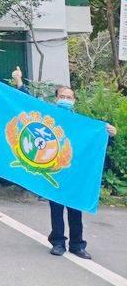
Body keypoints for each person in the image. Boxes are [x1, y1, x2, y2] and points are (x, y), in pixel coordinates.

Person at [44, 82, 117, 259]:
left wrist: (110, 134)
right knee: (56, 209)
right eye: (62, 96)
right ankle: (58, 243)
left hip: (76, 173)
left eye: (69, 97)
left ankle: (77, 245)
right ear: (56, 99)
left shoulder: (82, 122)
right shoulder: (48, 117)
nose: (65, 100)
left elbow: (97, 143)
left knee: (75, 209)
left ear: (74, 100)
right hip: (55, 170)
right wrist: (20, 84)